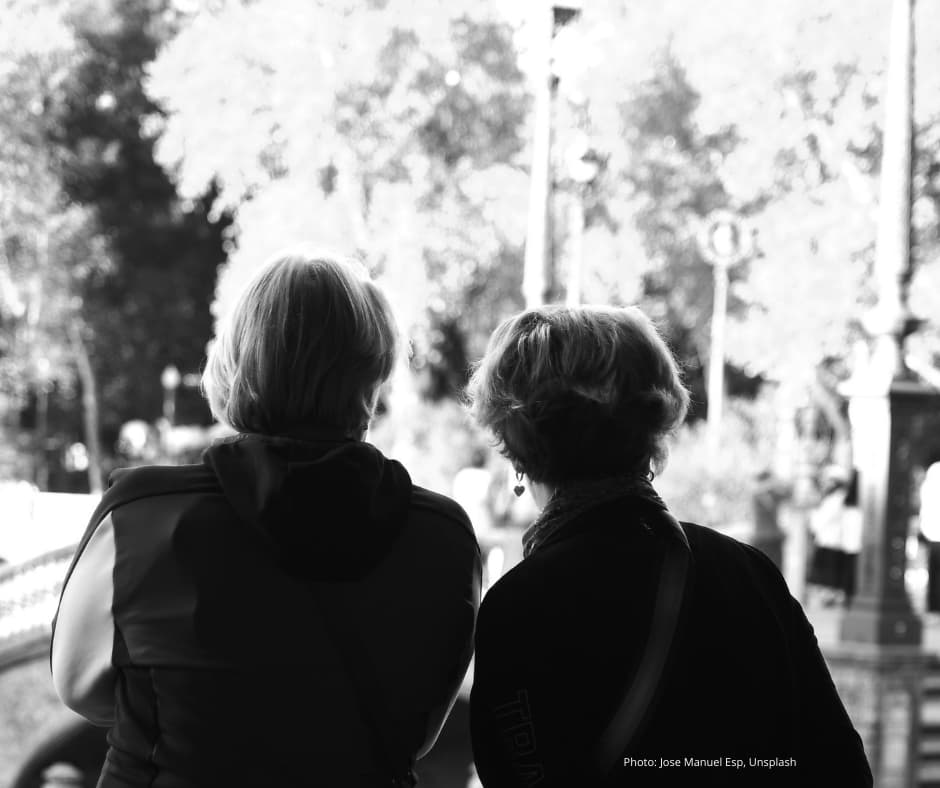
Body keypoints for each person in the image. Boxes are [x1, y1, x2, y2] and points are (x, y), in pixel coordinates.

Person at [50, 248, 482, 787]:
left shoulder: (139, 516)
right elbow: (418, 731)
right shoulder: (443, 540)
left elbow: (78, 688)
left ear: (237, 363)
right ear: (372, 377)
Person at [465, 304, 871, 786]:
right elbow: (842, 768)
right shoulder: (750, 574)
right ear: (654, 427)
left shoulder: (519, 606)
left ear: (517, 447)